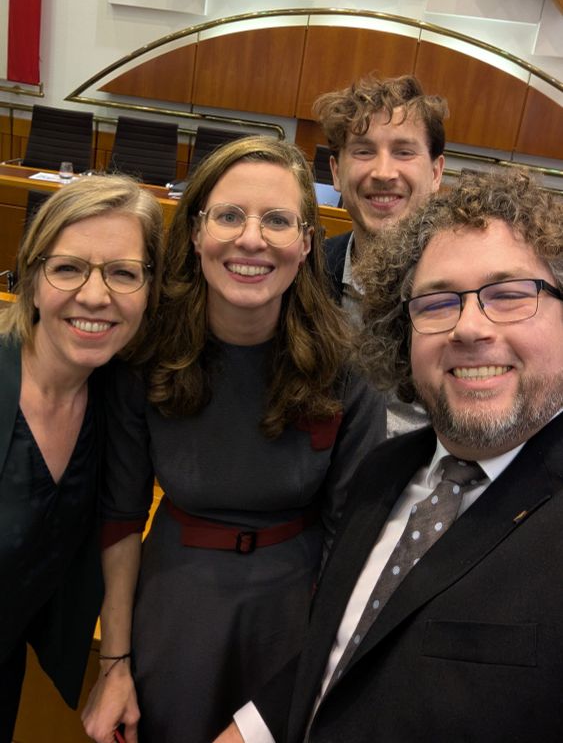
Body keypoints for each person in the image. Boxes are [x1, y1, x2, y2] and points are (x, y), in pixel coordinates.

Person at [216, 167, 563, 743]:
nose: (468, 327)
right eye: (437, 301)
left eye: (509, 295)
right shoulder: (384, 470)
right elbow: (346, 654)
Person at [81, 136, 386, 743]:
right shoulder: (145, 356)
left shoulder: (348, 368)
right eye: (229, 215)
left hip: (295, 615)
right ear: (195, 234)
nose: (251, 239)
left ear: (306, 242)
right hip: (173, 608)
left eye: (277, 220)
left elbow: (352, 538)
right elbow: (119, 516)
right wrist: (114, 665)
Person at [0, 174, 163, 743]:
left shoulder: (117, 399)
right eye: (68, 268)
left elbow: (118, 525)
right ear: (32, 277)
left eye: (122, 273)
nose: (95, 296)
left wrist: (116, 664)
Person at [312, 74, 448, 437]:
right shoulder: (304, 272)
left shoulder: (469, 289)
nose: (383, 172)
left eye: (404, 151)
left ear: (436, 173)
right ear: (337, 172)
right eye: (363, 151)